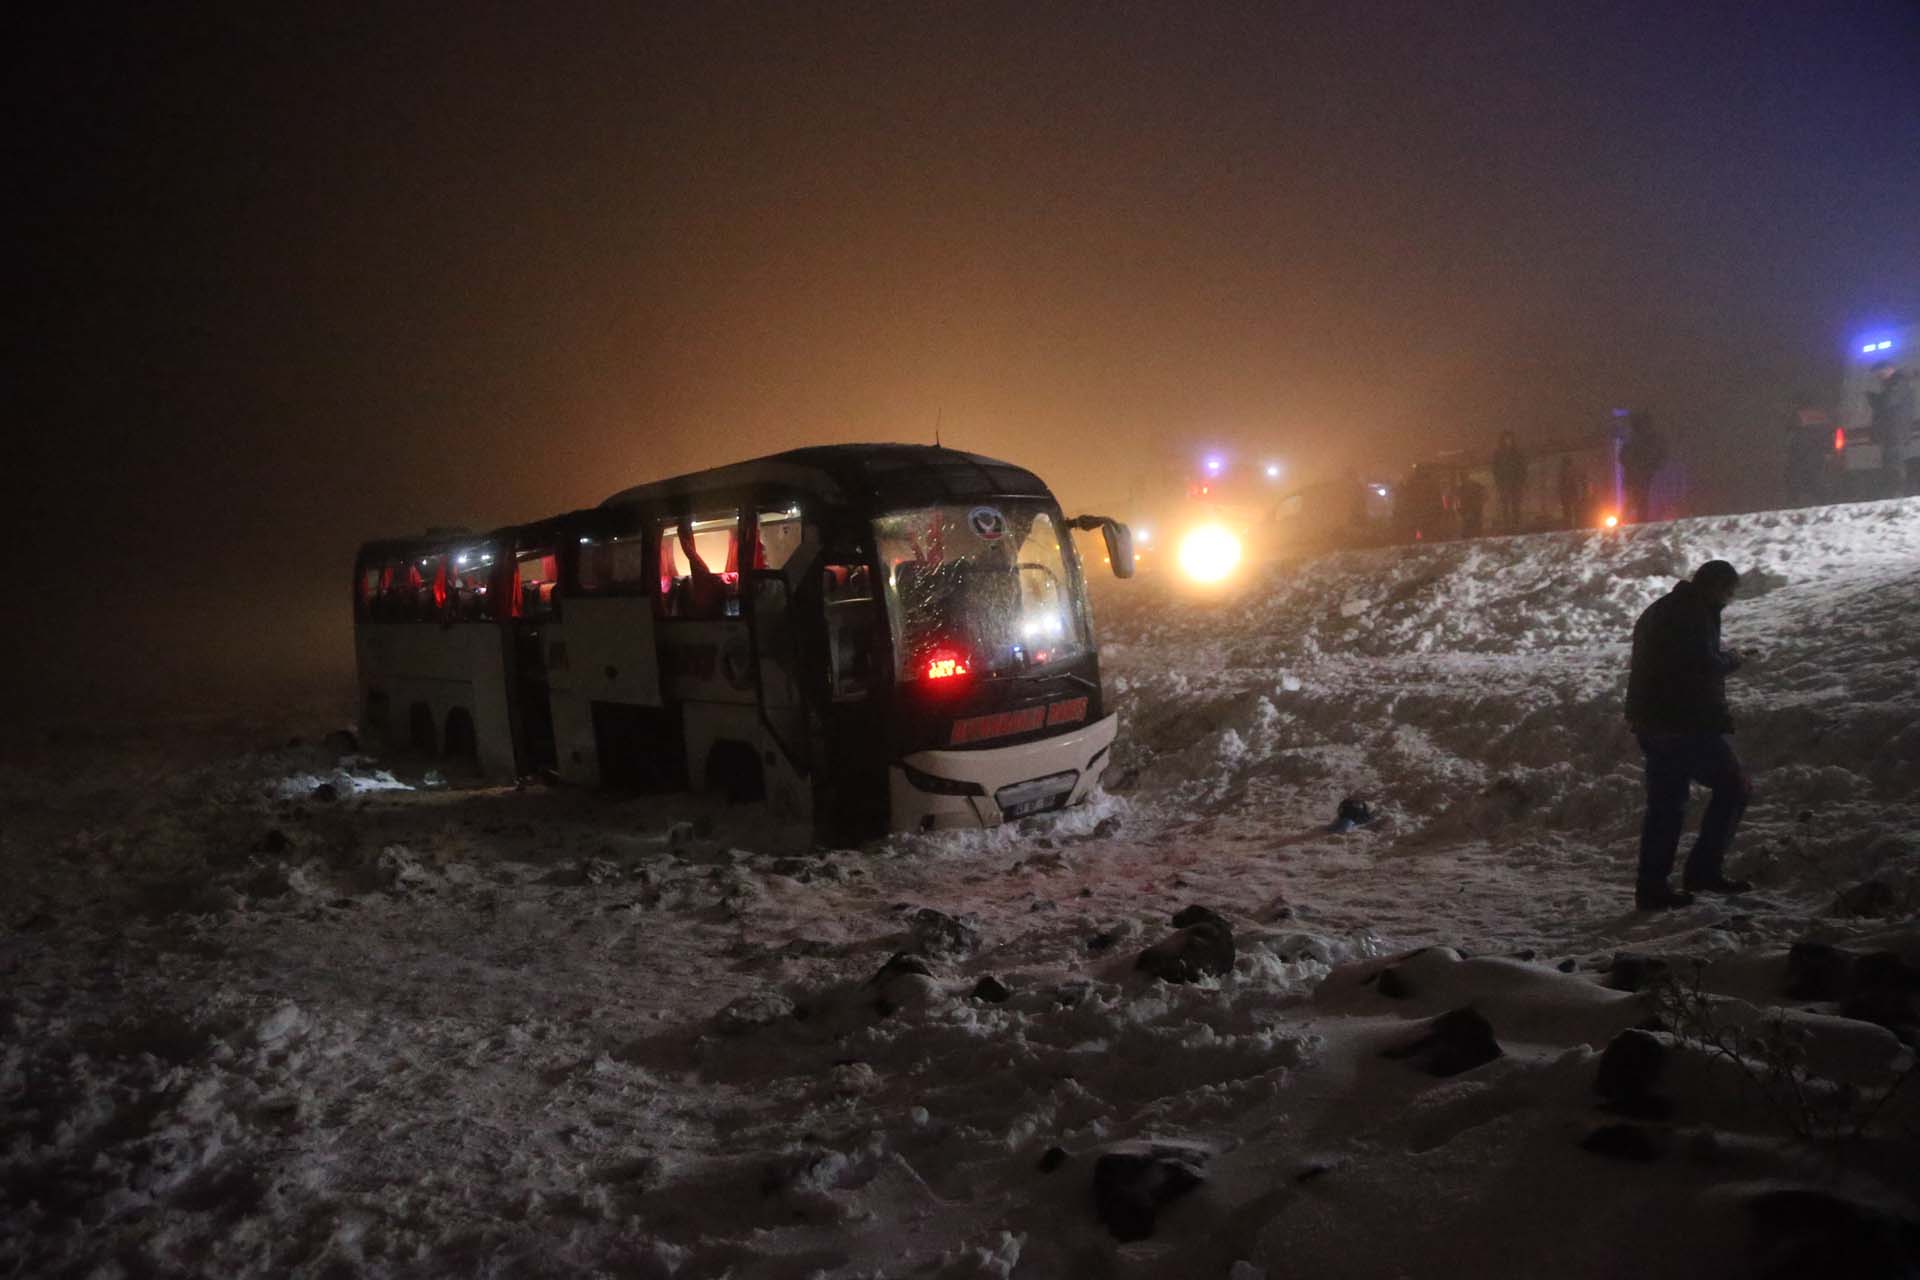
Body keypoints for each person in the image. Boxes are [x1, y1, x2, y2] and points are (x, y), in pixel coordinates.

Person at [1624, 560, 1753, 910]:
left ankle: (1652, 888)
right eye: (1728, 593)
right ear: (1717, 587)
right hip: (1685, 723)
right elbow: (1701, 665)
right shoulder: (1693, 613)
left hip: (1653, 722)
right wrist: (1734, 659)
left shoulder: (1663, 609)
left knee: (1666, 806)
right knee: (1734, 786)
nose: (1728, 601)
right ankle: (1703, 870)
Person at [1866, 361, 1916, 496]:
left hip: (1895, 431)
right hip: (1893, 431)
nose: (1878, 377)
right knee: (1891, 462)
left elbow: (1887, 402)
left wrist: (1873, 399)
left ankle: (1896, 493)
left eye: (1879, 373)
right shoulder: (1896, 383)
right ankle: (1894, 492)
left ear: (1888, 370)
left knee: (1894, 463)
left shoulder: (1898, 383)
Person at [1619, 411, 1667, 523]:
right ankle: (1633, 523)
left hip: (1647, 477)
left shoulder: (1651, 440)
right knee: (1635, 502)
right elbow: (1623, 457)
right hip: (1638, 478)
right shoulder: (1634, 441)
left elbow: (1661, 456)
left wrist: (1652, 466)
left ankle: (1640, 523)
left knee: (1640, 503)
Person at [1491, 432, 1527, 531]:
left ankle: (1516, 522)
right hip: (1504, 483)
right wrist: (1498, 481)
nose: (1508, 441)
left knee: (1515, 504)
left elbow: (1522, 467)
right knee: (1505, 504)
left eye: (1510, 439)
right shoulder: (1498, 453)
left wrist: (1522, 480)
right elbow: (1495, 469)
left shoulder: (1516, 452)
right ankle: (1507, 523)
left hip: (1515, 482)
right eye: (1506, 439)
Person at [1556, 456, 1589, 528]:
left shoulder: (1565, 473)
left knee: (1571, 511)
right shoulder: (1571, 472)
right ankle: (1574, 525)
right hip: (1571, 495)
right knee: (1572, 511)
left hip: (1571, 494)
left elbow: (1563, 485)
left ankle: (1573, 525)